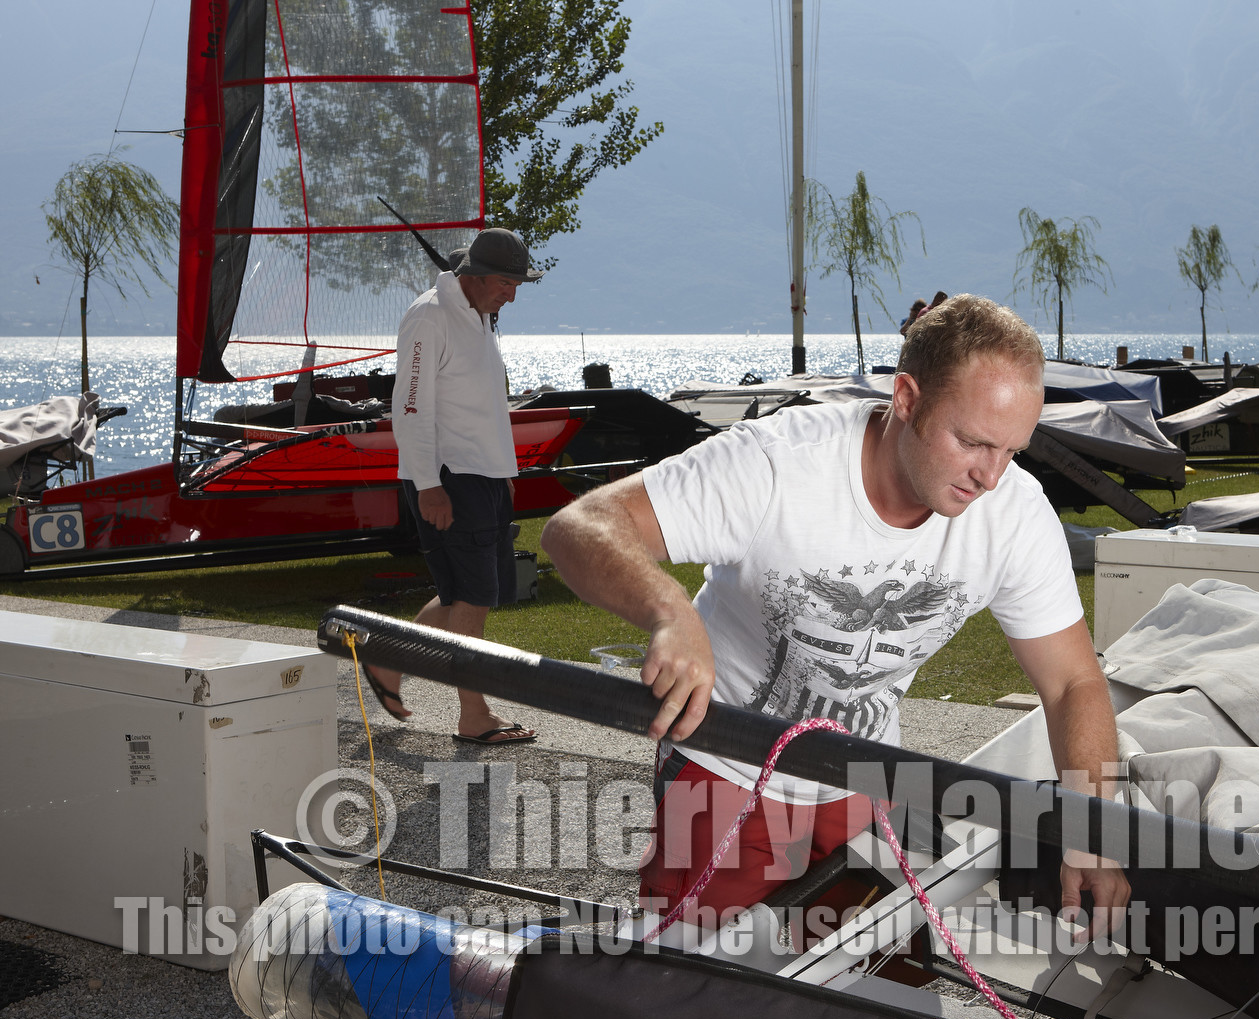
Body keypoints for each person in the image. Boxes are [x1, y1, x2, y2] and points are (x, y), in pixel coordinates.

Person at [542, 293, 1130, 938]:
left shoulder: (1014, 512)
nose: (990, 476)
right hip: (728, 768)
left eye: (1012, 451)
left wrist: (1092, 829)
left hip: (864, 775)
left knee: (879, 980)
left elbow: (1072, 682)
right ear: (906, 398)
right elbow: (580, 526)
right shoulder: (777, 465)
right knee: (703, 977)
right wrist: (670, 610)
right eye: (971, 442)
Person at [361, 228, 542, 745]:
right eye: (507, 283)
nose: (513, 295)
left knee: (462, 595)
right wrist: (427, 484)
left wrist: (503, 473)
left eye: (517, 285)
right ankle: (473, 715)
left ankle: (386, 659)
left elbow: (482, 403)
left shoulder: (478, 312)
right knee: (472, 600)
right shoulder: (430, 316)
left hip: (481, 476)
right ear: (477, 277)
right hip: (449, 477)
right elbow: (410, 407)